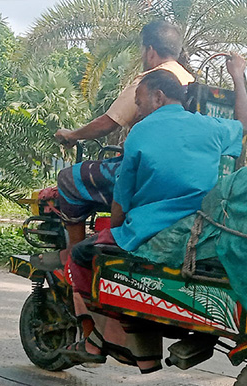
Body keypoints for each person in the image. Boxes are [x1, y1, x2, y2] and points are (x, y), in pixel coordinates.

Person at [63, 55, 247, 366]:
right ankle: (138, 346)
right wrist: (237, 76)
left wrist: (117, 227)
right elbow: (243, 125)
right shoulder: (209, 127)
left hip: (153, 229)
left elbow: (122, 197)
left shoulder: (140, 132)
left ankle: (96, 343)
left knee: (82, 255)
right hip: (200, 226)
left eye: (139, 102)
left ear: (158, 97)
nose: (137, 111)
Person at [49, 20, 195, 243]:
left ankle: (73, 254)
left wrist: (72, 135)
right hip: (184, 172)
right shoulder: (192, 82)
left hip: (147, 170)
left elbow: (108, 123)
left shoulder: (149, 83)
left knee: (69, 179)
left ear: (150, 51)